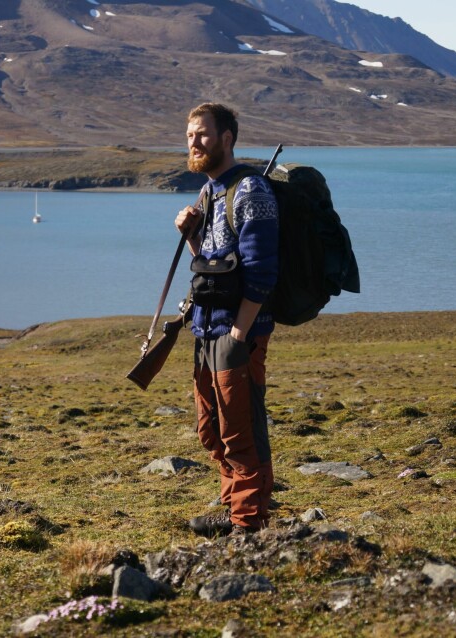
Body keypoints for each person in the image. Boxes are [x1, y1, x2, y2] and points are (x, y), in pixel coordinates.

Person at [174, 103, 279, 536]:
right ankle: (231, 504)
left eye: (201, 134)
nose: (194, 143)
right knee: (211, 429)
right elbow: (213, 266)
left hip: (238, 331)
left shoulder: (250, 190)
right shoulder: (209, 192)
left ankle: (248, 523)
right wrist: (193, 236)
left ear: (227, 138)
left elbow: (261, 269)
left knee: (242, 430)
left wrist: (240, 331)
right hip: (205, 328)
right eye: (189, 136)